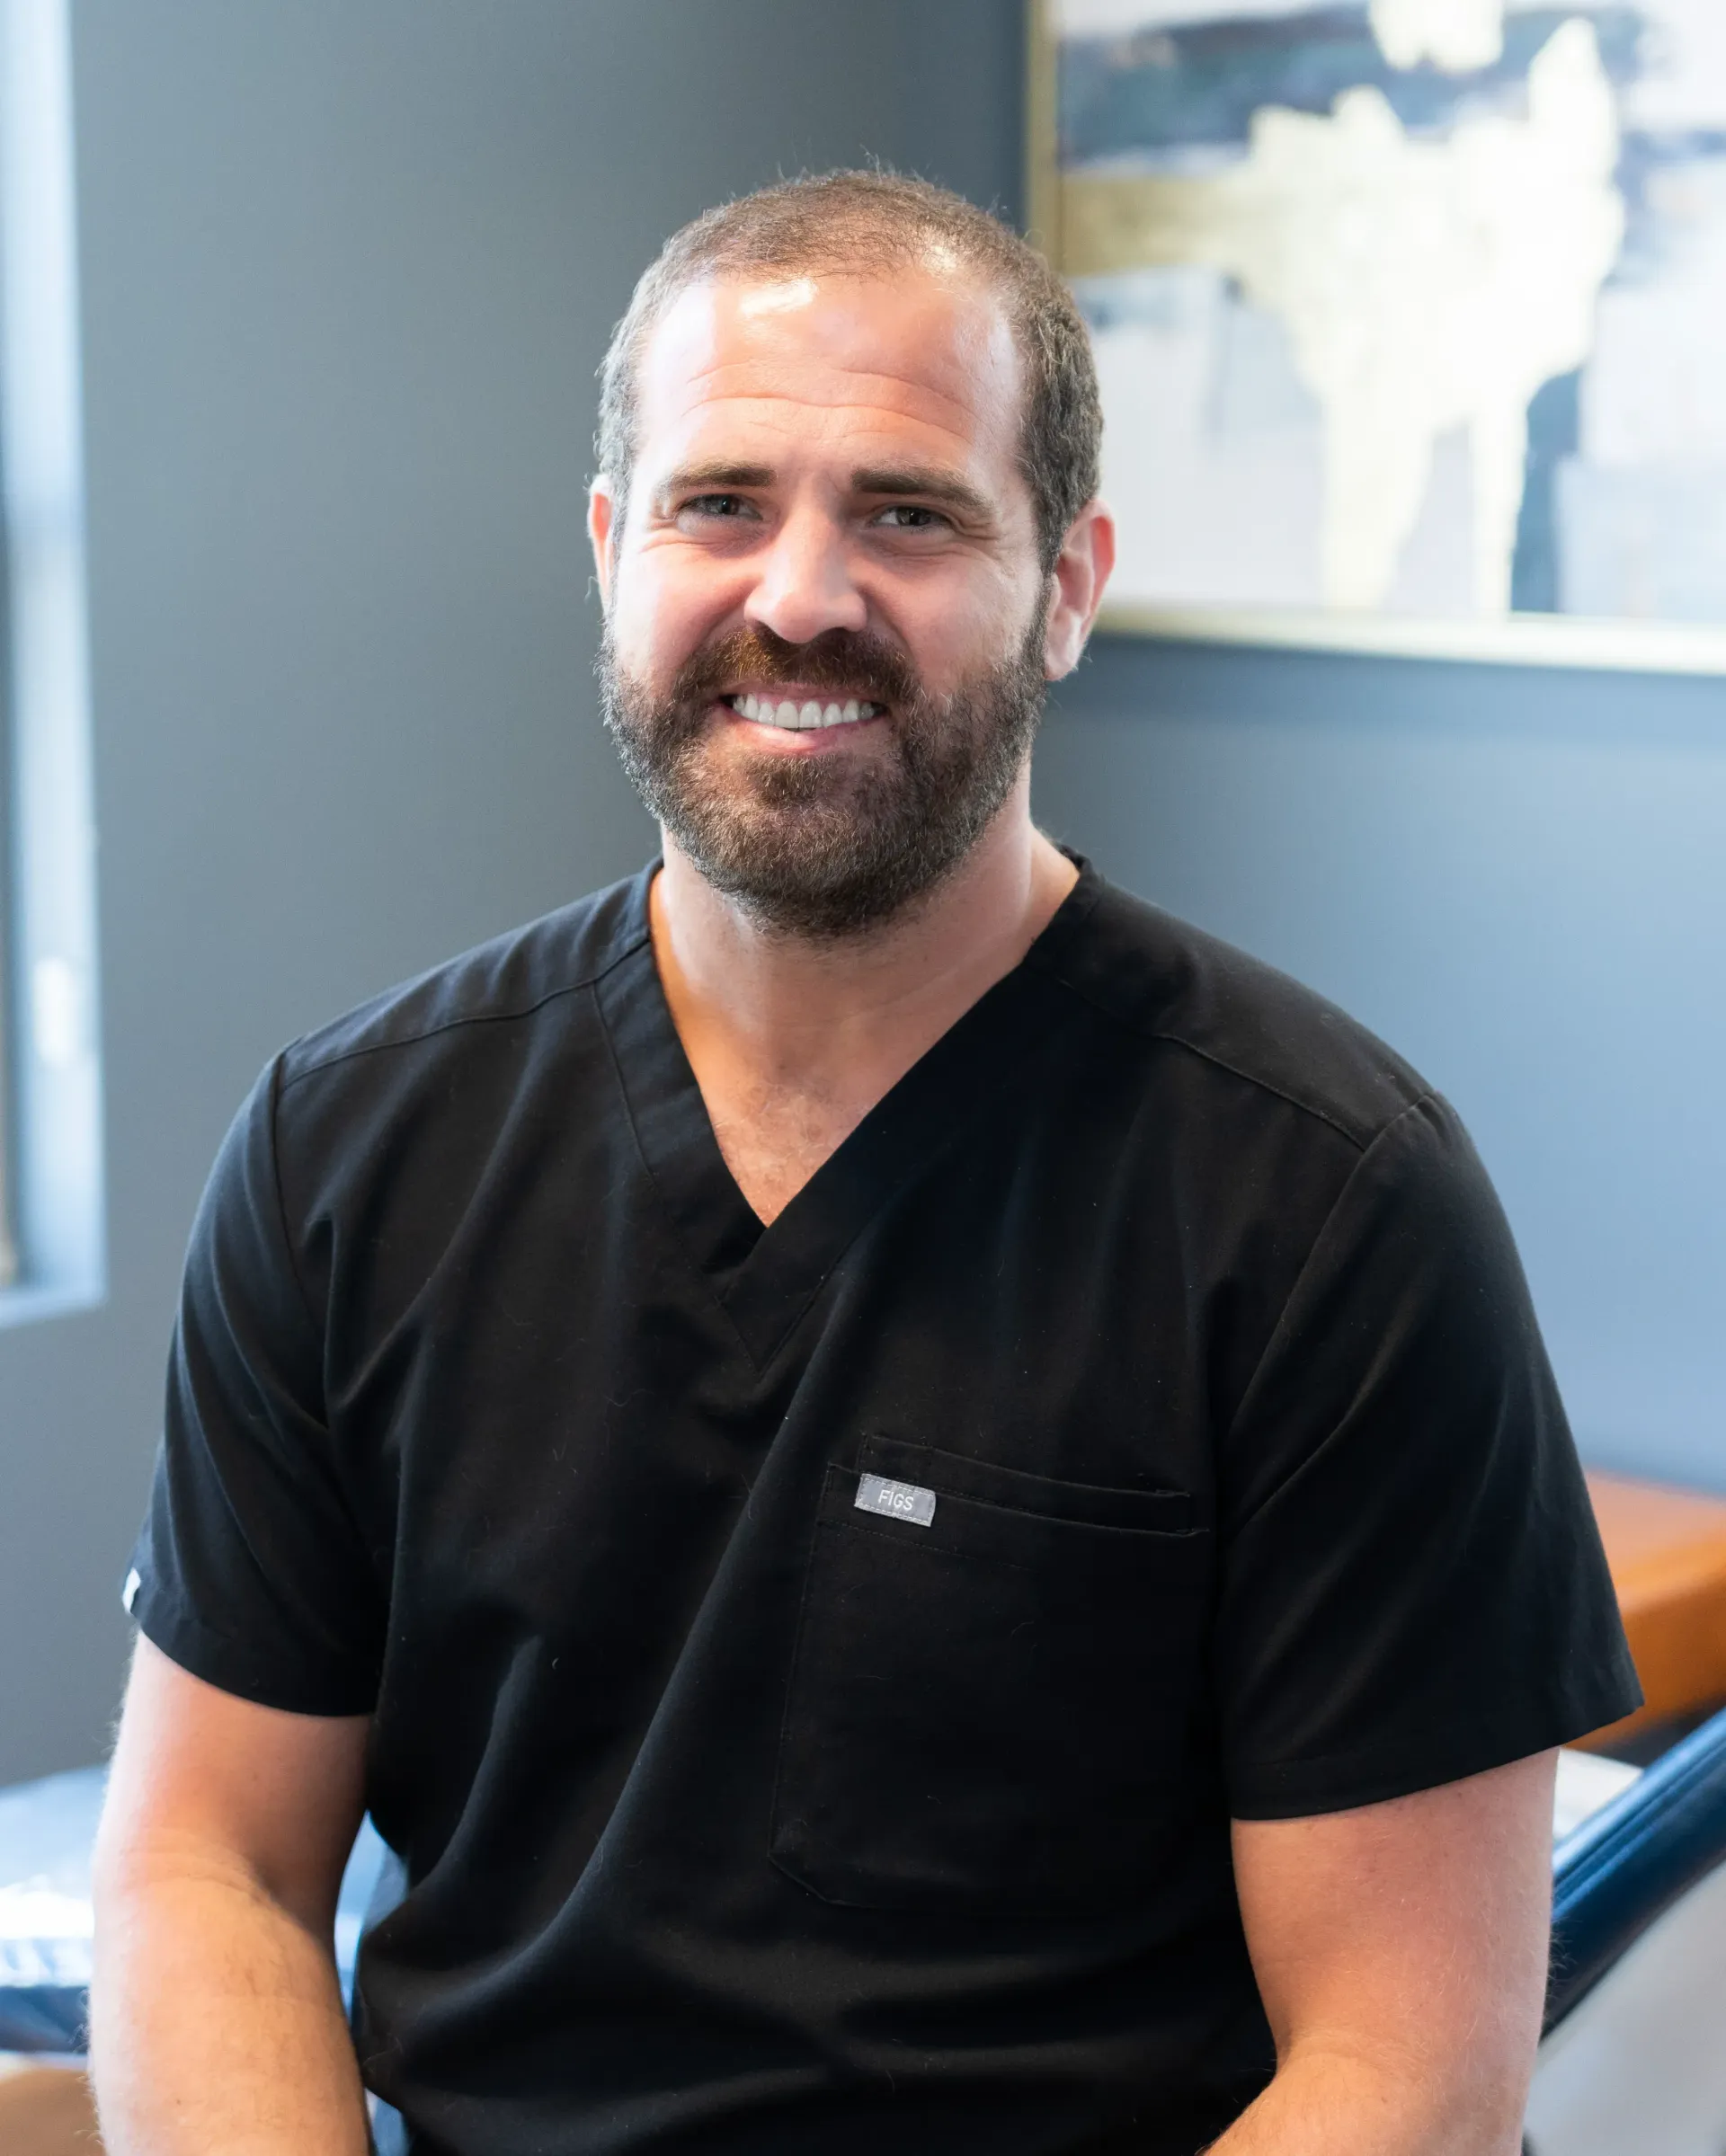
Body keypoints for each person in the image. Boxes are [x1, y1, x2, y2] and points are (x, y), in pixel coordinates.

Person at [89, 172, 1639, 2156]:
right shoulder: (348, 1146)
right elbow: (205, 1867)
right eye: (719, 501)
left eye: (907, 512)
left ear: (1068, 582)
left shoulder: (1328, 1202)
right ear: (609, 550)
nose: (801, 594)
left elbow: (1405, 2066)